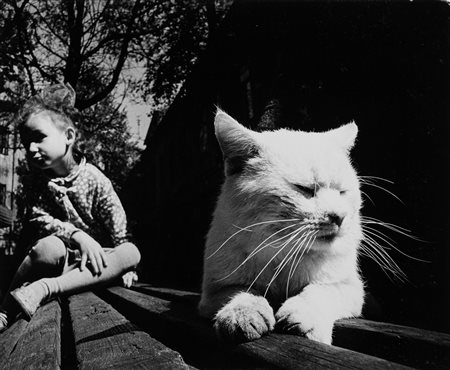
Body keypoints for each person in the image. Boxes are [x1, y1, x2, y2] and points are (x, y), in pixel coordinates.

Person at [0, 83, 140, 332]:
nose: (31, 149)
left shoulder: (95, 179)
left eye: (38, 138)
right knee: (47, 247)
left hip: (94, 264)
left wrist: (126, 265)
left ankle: (44, 288)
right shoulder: (37, 183)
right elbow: (38, 219)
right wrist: (76, 235)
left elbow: (118, 225)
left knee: (131, 252)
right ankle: (4, 310)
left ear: (68, 137)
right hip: (61, 260)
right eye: (25, 144)